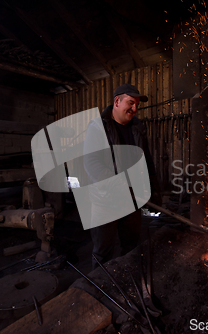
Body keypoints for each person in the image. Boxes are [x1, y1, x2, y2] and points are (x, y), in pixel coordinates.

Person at [83, 84, 161, 269]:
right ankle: (100, 288)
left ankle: (127, 282)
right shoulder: (98, 127)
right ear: (117, 101)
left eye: (137, 105)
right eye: (131, 103)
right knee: (104, 251)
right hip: (105, 201)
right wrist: (116, 184)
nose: (135, 109)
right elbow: (91, 163)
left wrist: (154, 189)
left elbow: (146, 160)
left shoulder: (137, 127)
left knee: (131, 246)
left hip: (132, 200)